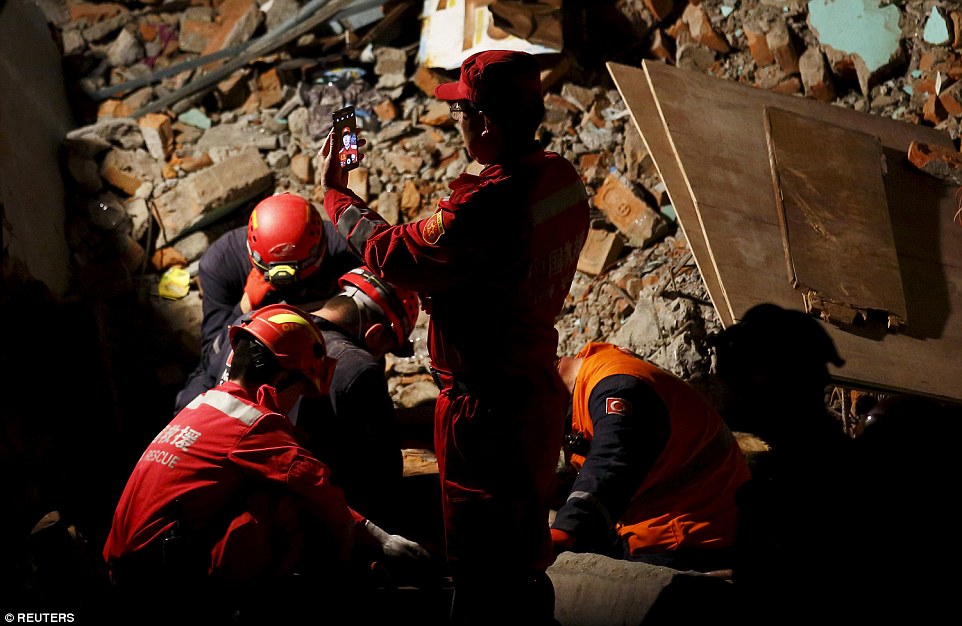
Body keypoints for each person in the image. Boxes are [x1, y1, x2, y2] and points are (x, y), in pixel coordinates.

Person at [319, 49, 590, 624]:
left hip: (483, 415)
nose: (455, 122)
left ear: (485, 122)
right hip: (533, 393)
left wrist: (337, 191)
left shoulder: (484, 205)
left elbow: (392, 253)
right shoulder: (561, 179)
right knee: (521, 549)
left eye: (460, 112)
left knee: (480, 567)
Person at [103, 304, 430, 624]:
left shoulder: (204, 406)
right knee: (283, 505)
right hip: (158, 585)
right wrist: (375, 548)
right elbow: (319, 491)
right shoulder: (253, 424)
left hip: (127, 570)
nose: (298, 399)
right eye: (301, 387)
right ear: (284, 377)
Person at [709, 303, 857, 623]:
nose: (717, 383)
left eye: (725, 373)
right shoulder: (824, 459)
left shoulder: (800, 487)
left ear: (758, 378)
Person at [550, 342, 751, 573]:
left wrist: (563, 531)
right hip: (671, 521)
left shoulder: (617, 388)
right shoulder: (587, 382)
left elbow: (610, 462)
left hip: (696, 534)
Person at [173, 192, 361, 414]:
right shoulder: (222, 262)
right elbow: (211, 357)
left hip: (315, 356)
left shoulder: (345, 250)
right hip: (252, 357)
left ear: (320, 250)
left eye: (299, 274)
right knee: (191, 407)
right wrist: (244, 308)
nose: (290, 284)